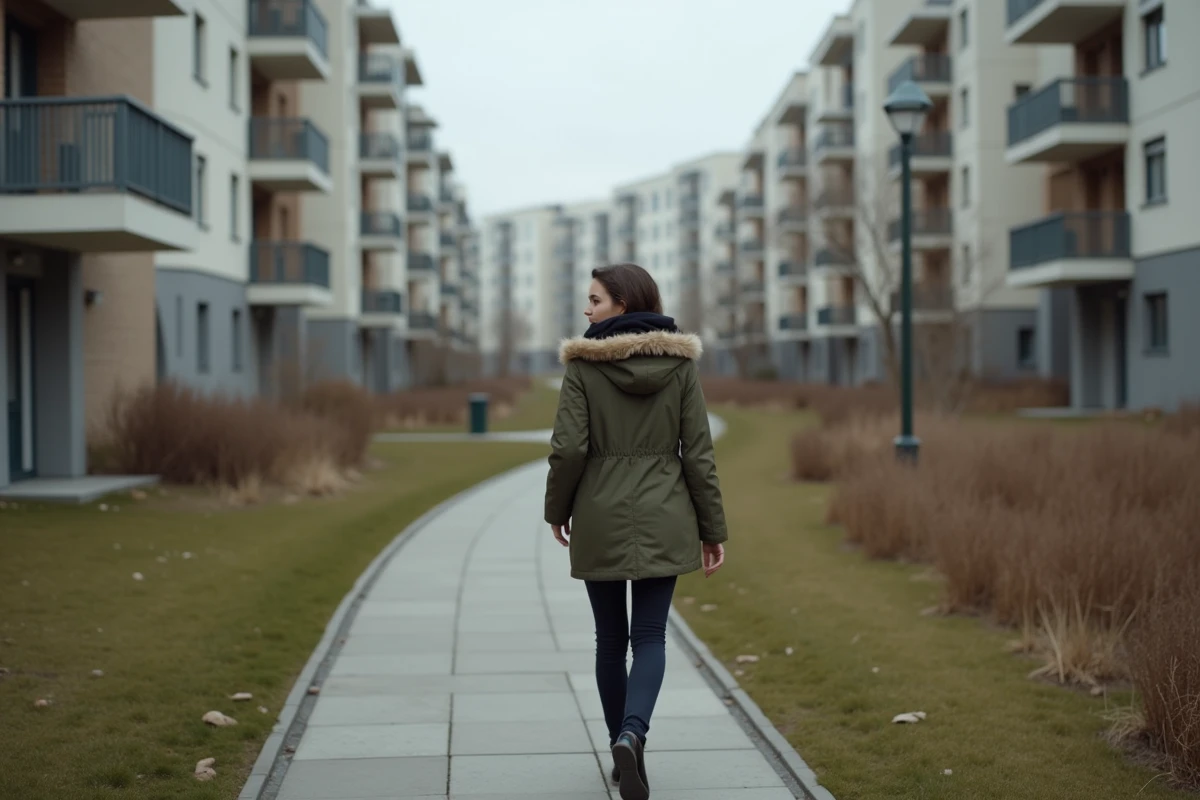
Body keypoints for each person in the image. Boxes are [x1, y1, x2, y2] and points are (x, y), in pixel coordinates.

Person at [544, 262, 728, 800]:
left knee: (609, 639)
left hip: (599, 513)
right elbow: (698, 453)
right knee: (649, 636)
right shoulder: (680, 367)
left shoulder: (582, 368)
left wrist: (557, 510)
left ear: (622, 304)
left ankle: (619, 748)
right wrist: (712, 528)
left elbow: (569, 449)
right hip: (666, 514)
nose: (586, 310)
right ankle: (634, 734)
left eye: (595, 300)